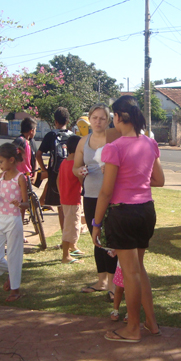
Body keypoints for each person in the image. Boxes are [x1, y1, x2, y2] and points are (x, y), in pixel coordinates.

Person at [91, 95, 164, 342]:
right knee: (138, 269)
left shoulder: (114, 148)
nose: (112, 120)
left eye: (113, 116)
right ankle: (150, 322)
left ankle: (132, 328)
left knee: (131, 272)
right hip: (146, 210)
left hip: (124, 213)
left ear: (120, 117)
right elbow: (159, 180)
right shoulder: (149, 143)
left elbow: (106, 191)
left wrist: (96, 223)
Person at [73, 103, 118, 297]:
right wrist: (79, 171)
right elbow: (75, 167)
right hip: (90, 195)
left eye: (102, 118)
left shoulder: (115, 138)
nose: (98, 122)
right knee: (96, 238)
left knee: (113, 241)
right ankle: (102, 281)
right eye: (94, 118)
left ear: (108, 120)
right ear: (89, 120)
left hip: (113, 196)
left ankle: (114, 285)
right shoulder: (84, 141)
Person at [0, 143, 28, 302]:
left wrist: (20, 205)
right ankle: (12, 274)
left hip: (13, 220)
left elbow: (26, 203)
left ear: (11, 160)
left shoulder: (20, 178)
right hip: (0, 218)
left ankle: (15, 290)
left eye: (1, 162)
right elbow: (1, 198)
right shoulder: (0, 177)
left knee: (13, 255)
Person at [36, 107, 72, 231]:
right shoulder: (72, 136)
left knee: (60, 206)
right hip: (69, 175)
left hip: (54, 173)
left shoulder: (51, 135)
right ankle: (68, 237)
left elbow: (38, 154)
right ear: (67, 121)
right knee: (68, 205)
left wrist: (44, 169)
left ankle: (64, 236)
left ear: (55, 121)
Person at [57, 134, 85, 264]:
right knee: (70, 227)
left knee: (73, 224)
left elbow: (58, 180)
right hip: (72, 200)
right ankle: (65, 256)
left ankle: (72, 247)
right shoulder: (76, 165)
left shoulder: (64, 162)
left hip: (65, 199)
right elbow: (82, 181)